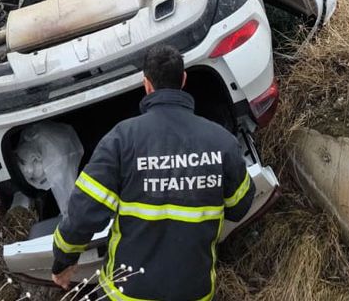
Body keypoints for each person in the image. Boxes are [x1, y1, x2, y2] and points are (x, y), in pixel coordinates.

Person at [50, 45, 255, 300]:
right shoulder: (222, 142)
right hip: (194, 292)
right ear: (183, 80)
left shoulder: (121, 140)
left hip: (128, 293)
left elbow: (83, 215)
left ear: (146, 84)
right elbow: (240, 206)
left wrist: (62, 260)